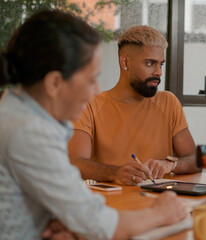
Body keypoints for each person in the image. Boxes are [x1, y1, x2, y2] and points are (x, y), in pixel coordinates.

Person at [0, 10, 186, 240]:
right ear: (54, 83)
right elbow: (100, 225)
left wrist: (64, 221)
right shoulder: (28, 131)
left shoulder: (18, 111)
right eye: (90, 80)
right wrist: (160, 213)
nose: (96, 91)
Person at [69, 25, 198, 186]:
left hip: (160, 203)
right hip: (112, 205)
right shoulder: (90, 104)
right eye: (150, 63)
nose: (158, 72)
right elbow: (76, 162)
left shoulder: (168, 102)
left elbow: (196, 160)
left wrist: (171, 164)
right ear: (125, 62)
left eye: (161, 64)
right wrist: (116, 173)